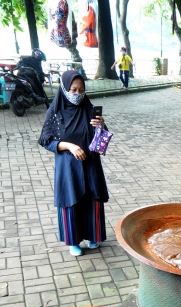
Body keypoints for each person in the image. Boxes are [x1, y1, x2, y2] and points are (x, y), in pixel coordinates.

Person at [38, 71, 109, 257]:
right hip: (68, 166)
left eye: (81, 90)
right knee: (71, 200)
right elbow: (46, 140)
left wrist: (101, 125)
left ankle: (94, 235)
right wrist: (69, 146)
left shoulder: (89, 108)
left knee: (92, 199)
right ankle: (73, 241)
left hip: (90, 163)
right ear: (64, 88)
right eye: (73, 89)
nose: (77, 94)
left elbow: (100, 141)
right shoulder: (55, 112)